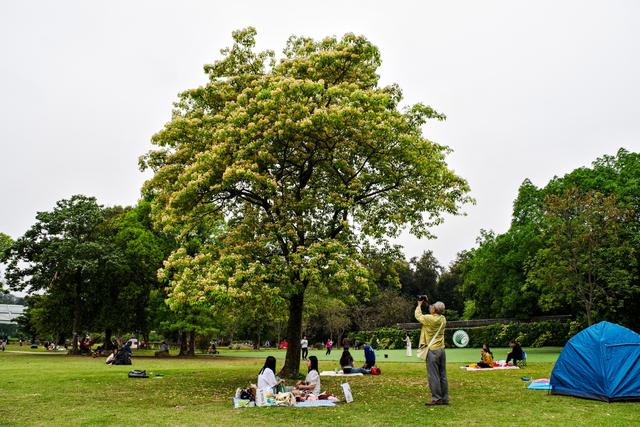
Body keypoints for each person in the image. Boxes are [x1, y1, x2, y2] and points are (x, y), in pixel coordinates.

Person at [415, 299, 448, 406]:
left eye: (433, 306)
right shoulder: (443, 319)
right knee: (442, 375)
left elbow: (418, 316)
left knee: (433, 375)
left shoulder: (430, 319)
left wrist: (419, 305)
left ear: (434, 310)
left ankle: (436, 398)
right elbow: (433, 313)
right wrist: (429, 305)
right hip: (441, 350)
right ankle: (444, 398)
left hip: (433, 350)